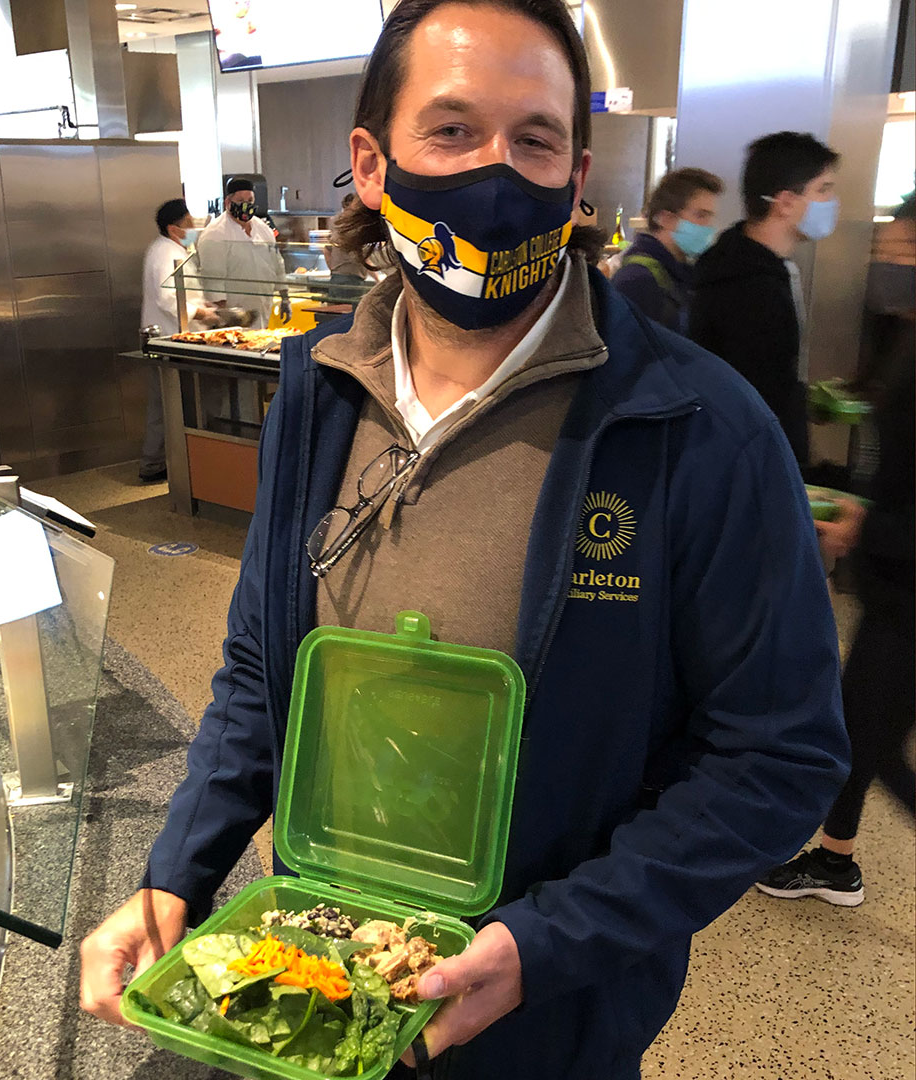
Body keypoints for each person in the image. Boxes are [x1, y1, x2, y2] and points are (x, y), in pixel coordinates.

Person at [81, 5, 847, 1078]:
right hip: (320, 973)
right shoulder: (318, 395)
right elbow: (261, 672)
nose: (497, 173)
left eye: (534, 139)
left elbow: (778, 754)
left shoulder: (698, 429)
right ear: (372, 164)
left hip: (547, 1019)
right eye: (451, 131)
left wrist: (547, 945)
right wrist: (178, 871)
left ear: (577, 180)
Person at [757, 194, 915, 908]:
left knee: (870, 736)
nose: (889, 263)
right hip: (892, 582)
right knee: (865, 728)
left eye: (904, 252)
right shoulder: (902, 333)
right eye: (887, 249)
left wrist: (866, 527)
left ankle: (834, 860)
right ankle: (835, 859)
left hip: (907, 588)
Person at [689, 131, 840, 466]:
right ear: (784, 202)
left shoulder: (757, 267)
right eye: (823, 189)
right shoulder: (747, 288)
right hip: (749, 465)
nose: (832, 201)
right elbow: (756, 397)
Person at [138, 198, 208, 483]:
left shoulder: (172, 249)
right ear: (173, 228)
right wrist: (203, 313)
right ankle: (154, 463)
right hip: (168, 338)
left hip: (176, 336)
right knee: (166, 404)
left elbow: (184, 292)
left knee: (167, 403)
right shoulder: (166, 253)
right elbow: (168, 299)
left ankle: (164, 461)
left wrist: (205, 305)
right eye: (188, 223)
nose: (193, 228)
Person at [611, 167, 723, 333]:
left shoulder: (682, 276)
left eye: (710, 216)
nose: (709, 226)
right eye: (701, 215)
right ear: (666, 219)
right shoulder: (637, 281)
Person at [197, 177, 290, 329]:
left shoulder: (263, 228)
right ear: (228, 202)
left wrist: (285, 297)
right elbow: (213, 280)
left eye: (250, 200)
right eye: (240, 201)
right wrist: (223, 315)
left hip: (263, 307)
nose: (246, 205)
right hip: (235, 315)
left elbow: (277, 263)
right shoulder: (215, 233)